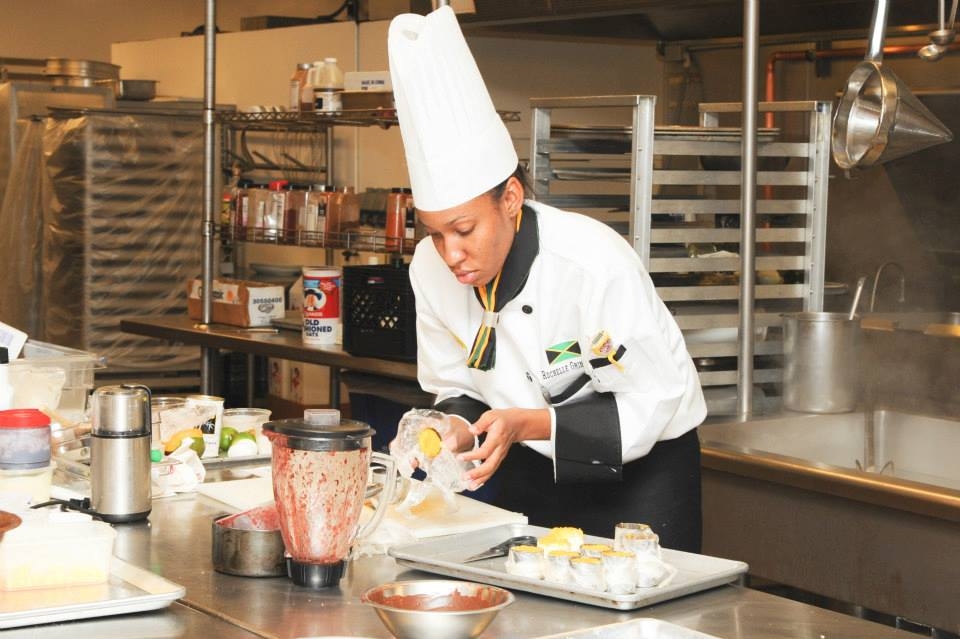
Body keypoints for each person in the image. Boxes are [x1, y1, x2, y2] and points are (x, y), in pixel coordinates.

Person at [388, 6, 707, 552]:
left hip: (640, 480)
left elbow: (648, 403)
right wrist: (456, 430)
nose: (451, 253)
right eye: (436, 233)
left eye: (463, 229)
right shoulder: (428, 268)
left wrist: (523, 424)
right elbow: (456, 385)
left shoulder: (589, 263)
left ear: (510, 199)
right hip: (531, 472)